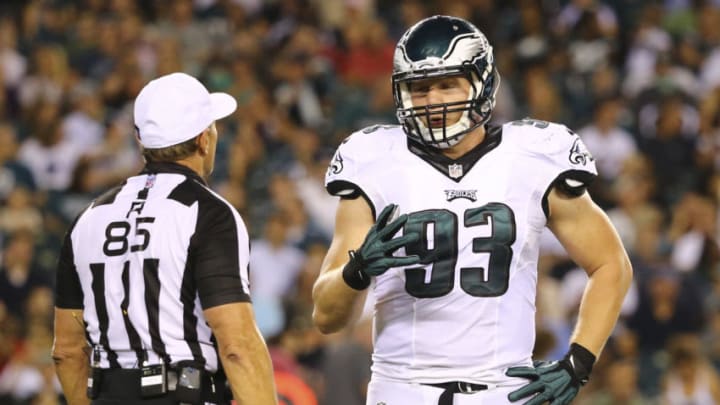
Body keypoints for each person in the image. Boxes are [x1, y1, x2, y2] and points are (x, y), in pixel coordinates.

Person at [311, 15, 632, 405]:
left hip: (505, 387)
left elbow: (611, 264)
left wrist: (578, 361)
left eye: (447, 85)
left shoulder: (532, 154)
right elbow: (327, 318)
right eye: (420, 88)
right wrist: (356, 270)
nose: (433, 101)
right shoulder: (374, 159)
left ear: (482, 83)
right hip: (401, 389)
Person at [52, 72, 277, 405]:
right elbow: (237, 346)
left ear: (141, 141)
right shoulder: (209, 213)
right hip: (184, 392)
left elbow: (67, 353)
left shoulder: (88, 218)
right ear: (205, 139)